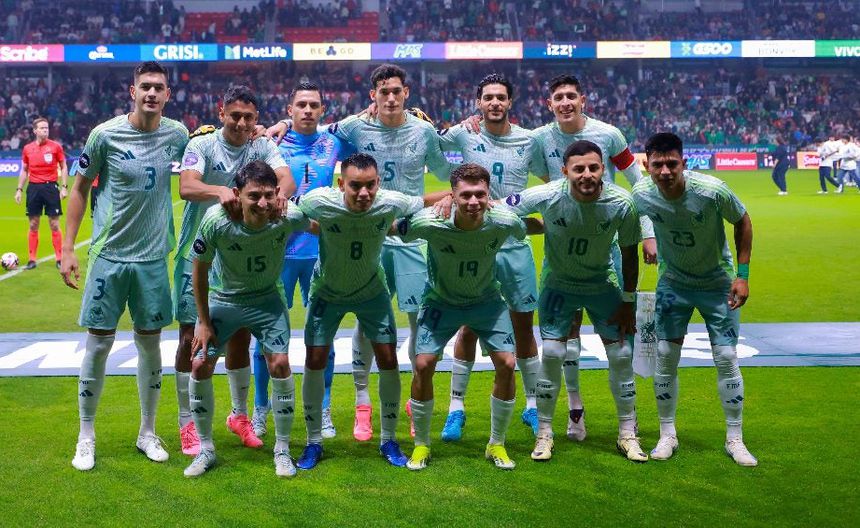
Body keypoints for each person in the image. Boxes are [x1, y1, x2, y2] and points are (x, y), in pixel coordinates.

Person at [269, 64, 451, 441]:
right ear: (373, 95)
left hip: (409, 236)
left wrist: (461, 136)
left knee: (418, 322)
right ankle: (363, 404)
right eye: (384, 91)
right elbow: (315, 128)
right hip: (366, 235)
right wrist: (283, 124)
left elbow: (443, 167)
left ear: (406, 93)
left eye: (396, 91)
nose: (390, 98)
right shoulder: (354, 126)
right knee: (367, 324)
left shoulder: (422, 131)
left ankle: (415, 399)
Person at [61, 61, 189, 472]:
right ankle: (86, 435)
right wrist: (67, 247)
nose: (151, 93)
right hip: (109, 257)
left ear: (168, 95)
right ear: (132, 92)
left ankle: (147, 432)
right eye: (145, 86)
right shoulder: (104, 135)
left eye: (158, 87)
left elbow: (210, 152)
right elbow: (79, 189)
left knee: (150, 345)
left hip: (152, 259)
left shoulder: (178, 135)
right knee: (98, 345)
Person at [293, 153, 446, 469]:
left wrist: (451, 197)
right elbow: (289, 208)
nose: (364, 193)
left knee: (388, 359)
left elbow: (422, 201)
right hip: (327, 291)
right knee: (315, 360)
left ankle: (388, 439)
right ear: (341, 184)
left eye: (370, 185)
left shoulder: (390, 201)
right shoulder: (319, 201)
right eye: (355, 186)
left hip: (371, 291)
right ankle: (313, 442)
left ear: (378, 182)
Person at [530, 74, 657, 442]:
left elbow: (638, 182)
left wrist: (647, 231)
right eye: (558, 97)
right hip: (562, 245)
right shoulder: (538, 139)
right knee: (564, 337)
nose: (565, 102)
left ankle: (628, 424)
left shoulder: (609, 134)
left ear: (582, 100)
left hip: (608, 242)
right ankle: (574, 407)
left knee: (617, 335)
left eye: (571, 96)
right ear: (549, 104)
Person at [504, 140, 646, 462]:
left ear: (603, 169)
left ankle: (628, 433)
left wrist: (628, 300)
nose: (586, 175)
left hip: (601, 283)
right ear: (565, 171)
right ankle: (544, 433)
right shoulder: (548, 195)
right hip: (559, 285)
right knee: (553, 353)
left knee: (622, 354)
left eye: (593, 168)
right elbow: (501, 207)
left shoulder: (621, 203)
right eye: (578, 169)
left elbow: (629, 254)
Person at [173, 85, 296, 456]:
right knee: (191, 338)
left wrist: (280, 197)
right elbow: (186, 185)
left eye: (248, 117)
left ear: (257, 118)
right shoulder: (203, 144)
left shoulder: (261, 145)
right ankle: (187, 422)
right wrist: (219, 191)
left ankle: (239, 415)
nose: (241, 123)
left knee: (241, 336)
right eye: (235, 116)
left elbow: (287, 179)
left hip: (240, 259)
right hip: (199, 253)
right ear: (221, 112)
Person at [632, 132, 757, 467]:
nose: (665, 171)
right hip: (673, 283)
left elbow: (742, 220)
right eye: (658, 164)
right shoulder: (641, 193)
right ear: (647, 165)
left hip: (717, 283)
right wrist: (647, 238)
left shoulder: (711, 191)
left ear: (684, 163)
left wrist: (742, 275)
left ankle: (735, 438)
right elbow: (631, 221)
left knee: (726, 357)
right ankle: (667, 434)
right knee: (664, 356)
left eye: (672, 163)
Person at [435, 73, 548, 440]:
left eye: (501, 97)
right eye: (488, 97)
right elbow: (425, 139)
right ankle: (456, 409)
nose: (495, 102)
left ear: (510, 102)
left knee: (523, 326)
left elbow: (550, 179)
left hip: (513, 245)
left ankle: (533, 405)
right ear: (478, 102)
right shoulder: (464, 133)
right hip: (474, 244)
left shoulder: (529, 140)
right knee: (468, 325)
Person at [398, 163, 528, 471]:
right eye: (465, 195)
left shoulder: (504, 220)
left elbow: (523, 230)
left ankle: (496, 443)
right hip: (440, 301)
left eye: (480, 194)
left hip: (487, 301)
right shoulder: (432, 221)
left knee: (508, 364)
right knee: (423, 365)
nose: (473, 201)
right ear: (453, 196)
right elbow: (400, 229)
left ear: (489, 194)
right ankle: (421, 445)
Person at [183, 160, 308, 478]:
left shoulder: (288, 216)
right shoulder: (217, 220)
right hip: (224, 300)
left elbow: (322, 226)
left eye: (268, 195)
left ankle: (282, 450)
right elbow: (199, 269)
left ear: (277, 192)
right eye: (254, 196)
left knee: (280, 364)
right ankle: (206, 449)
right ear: (237, 194)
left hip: (267, 300)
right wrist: (203, 322)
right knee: (199, 364)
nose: (262, 203)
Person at [250, 81, 353, 441]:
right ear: (289, 110)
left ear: (323, 110)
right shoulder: (271, 143)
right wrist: (276, 126)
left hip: (321, 253)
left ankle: (323, 408)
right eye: (301, 105)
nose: (307, 110)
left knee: (323, 337)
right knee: (264, 336)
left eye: (314, 105)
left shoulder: (334, 141)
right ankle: (259, 409)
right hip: (278, 252)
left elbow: (370, 130)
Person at [15, 117, 68, 269]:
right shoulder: (27, 149)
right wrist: (19, 189)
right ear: (35, 131)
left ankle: (59, 259)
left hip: (51, 187)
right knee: (33, 224)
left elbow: (64, 166)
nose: (45, 130)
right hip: (33, 188)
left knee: (54, 224)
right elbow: (24, 170)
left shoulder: (55, 147)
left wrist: (64, 186)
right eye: (42, 128)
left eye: (47, 128)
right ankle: (32, 260)